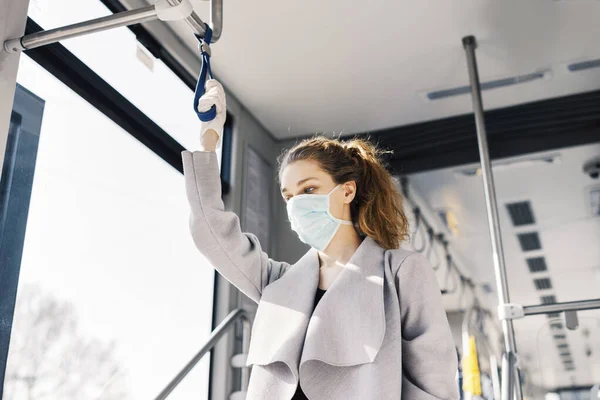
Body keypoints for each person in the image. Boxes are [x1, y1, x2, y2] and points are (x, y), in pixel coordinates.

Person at [181, 80, 459, 400]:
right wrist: (209, 140)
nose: (297, 203)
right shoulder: (277, 282)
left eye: (308, 188)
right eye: (289, 196)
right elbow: (210, 231)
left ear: (347, 190)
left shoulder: (401, 271)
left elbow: (433, 383)